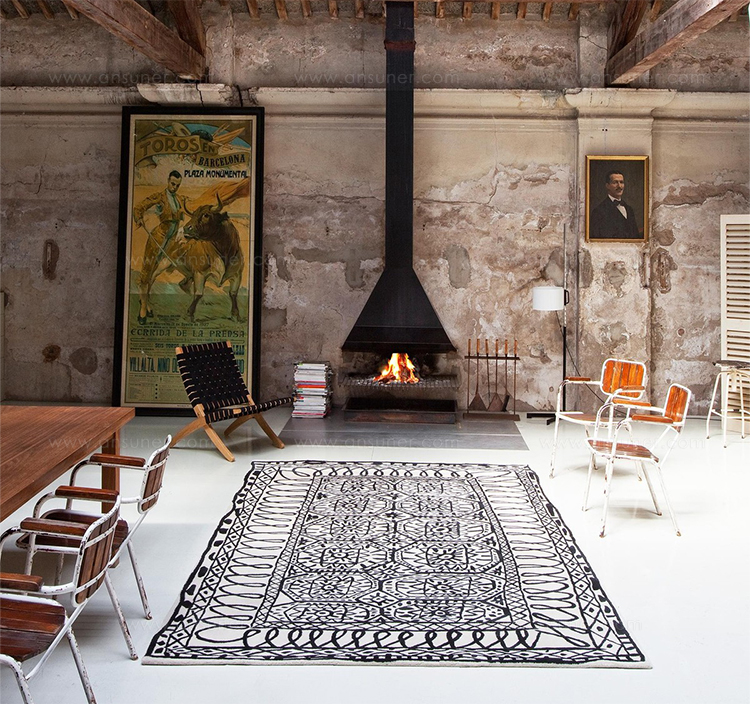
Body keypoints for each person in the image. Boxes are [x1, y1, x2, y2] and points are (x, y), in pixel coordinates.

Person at [133, 170, 189, 323]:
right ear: (168, 181)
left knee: (155, 273)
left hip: (170, 241)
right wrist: (138, 218)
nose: (174, 187)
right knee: (147, 272)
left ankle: (145, 300)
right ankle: (143, 308)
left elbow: (186, 211)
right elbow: (139, 207)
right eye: (172, 184)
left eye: (177, 185)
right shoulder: (159, 197)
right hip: (157, 239)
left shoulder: (179, 199)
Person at [589, 170, 641, 240]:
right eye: (615, 182)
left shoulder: (629, 209)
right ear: (607, 186)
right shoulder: (598, 212)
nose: (619, 186)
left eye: (621, 182)